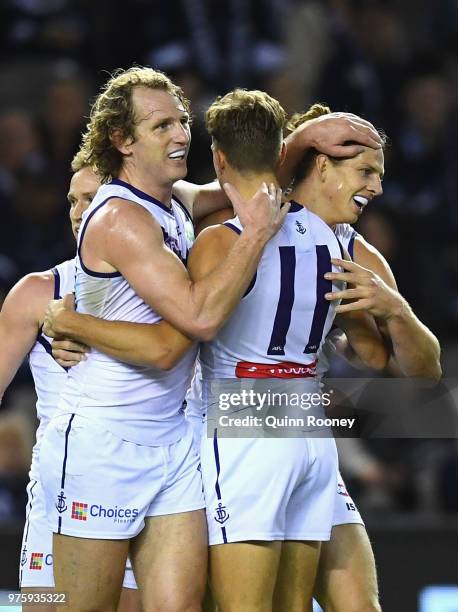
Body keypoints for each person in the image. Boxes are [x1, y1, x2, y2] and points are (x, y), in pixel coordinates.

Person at [285, 103, 442, 612]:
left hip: (305, 436)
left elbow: (424, 374)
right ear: (323, 166)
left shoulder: (359, 255)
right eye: (366, 172)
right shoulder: (243, 230)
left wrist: (395, 310)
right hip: (234, 430)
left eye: (378, 174)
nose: (375, 187)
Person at [0, 152, 139, 612]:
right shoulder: (37, 291)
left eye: (93, 198)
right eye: (73, 200)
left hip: (149, 484)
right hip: (61, 493)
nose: (80, 211)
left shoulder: (172, 293)